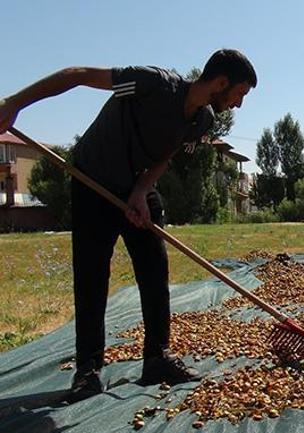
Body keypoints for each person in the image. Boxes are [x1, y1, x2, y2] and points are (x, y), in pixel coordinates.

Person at [0, 49, 257, 401]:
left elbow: (165, 155)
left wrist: (141, 191)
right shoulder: (152, 83)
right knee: (92, 276)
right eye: (239, 94)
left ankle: (157, 359)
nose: (239, 104)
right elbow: (76, 73)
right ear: (221, 82)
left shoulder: (202, 120)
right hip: (93, 178)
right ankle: (88, 370)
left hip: (136, 183)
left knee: (155, 268)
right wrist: (13, 103)